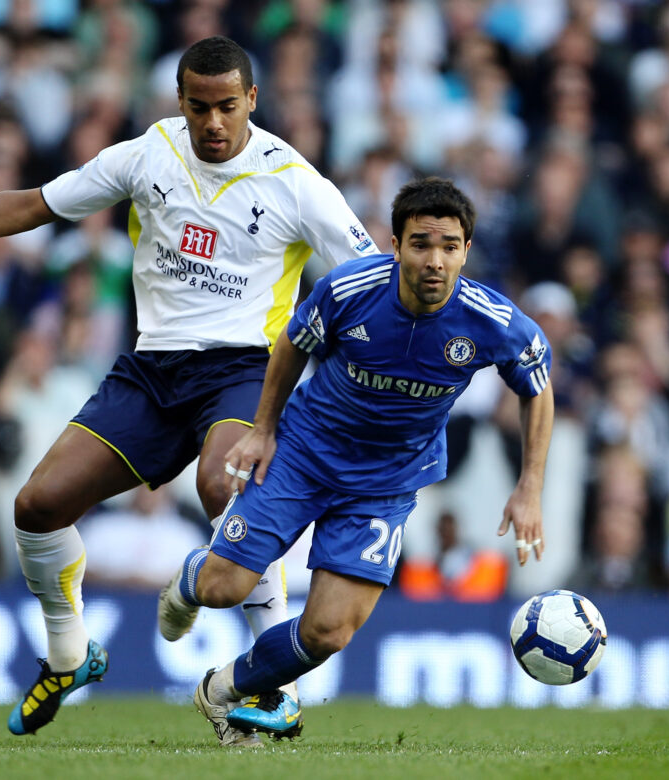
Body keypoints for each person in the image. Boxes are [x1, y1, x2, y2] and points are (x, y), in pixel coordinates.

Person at [0, 36, 379, 739]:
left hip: (247, 368)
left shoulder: (297, 181)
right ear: (180, 102)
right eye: (199, 107)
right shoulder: (145, 155)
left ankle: (268, 681)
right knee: (37, 505)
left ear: (252, 100)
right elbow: (34, 205)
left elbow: (368, 280)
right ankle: (69, 655)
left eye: (228, 106)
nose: (213, 123)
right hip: (152, 369)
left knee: (227, 489)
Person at [157, 177, 554, 745]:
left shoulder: (492, 320)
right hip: (304, 456)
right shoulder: (350, 289)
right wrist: (263, 429)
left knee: (328, 631)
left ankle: (222, 690)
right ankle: (189, 581)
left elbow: (537, 387)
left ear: (467, 250)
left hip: (385, 485)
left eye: (449, 246)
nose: (434, 260)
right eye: (420, 244)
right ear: (395, 245)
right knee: (224, 586)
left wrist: (530, 485)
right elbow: (292, 342)